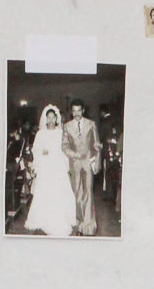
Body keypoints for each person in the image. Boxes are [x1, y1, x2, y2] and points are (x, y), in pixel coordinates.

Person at [23, 105, 77, 236]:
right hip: (46, 166)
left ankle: (61, 218)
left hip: (58, 166)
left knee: (59, 190)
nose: (51, 120)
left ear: (57, 119)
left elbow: (65, 149)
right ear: (45, 119)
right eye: (49, 118)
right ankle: (43, 218)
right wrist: (42, 151)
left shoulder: (60, 133)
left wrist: (65, 164)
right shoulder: (40, 134)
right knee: (45, 191)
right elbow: (35, 149)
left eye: (53, 118)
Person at [62, 101, 101, 236]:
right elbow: (64, 146)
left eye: (79, 110)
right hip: (75, 164)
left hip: (88, 163)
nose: (77, 113)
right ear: (71, 112)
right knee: (77, 194)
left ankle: (89, 226)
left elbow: (97, 145)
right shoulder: (67, 126)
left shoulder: (91, 124)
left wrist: (96, 163)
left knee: (88, 193)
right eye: (74, 111)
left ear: (83, 110)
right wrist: (74, 154)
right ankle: (79, 224)